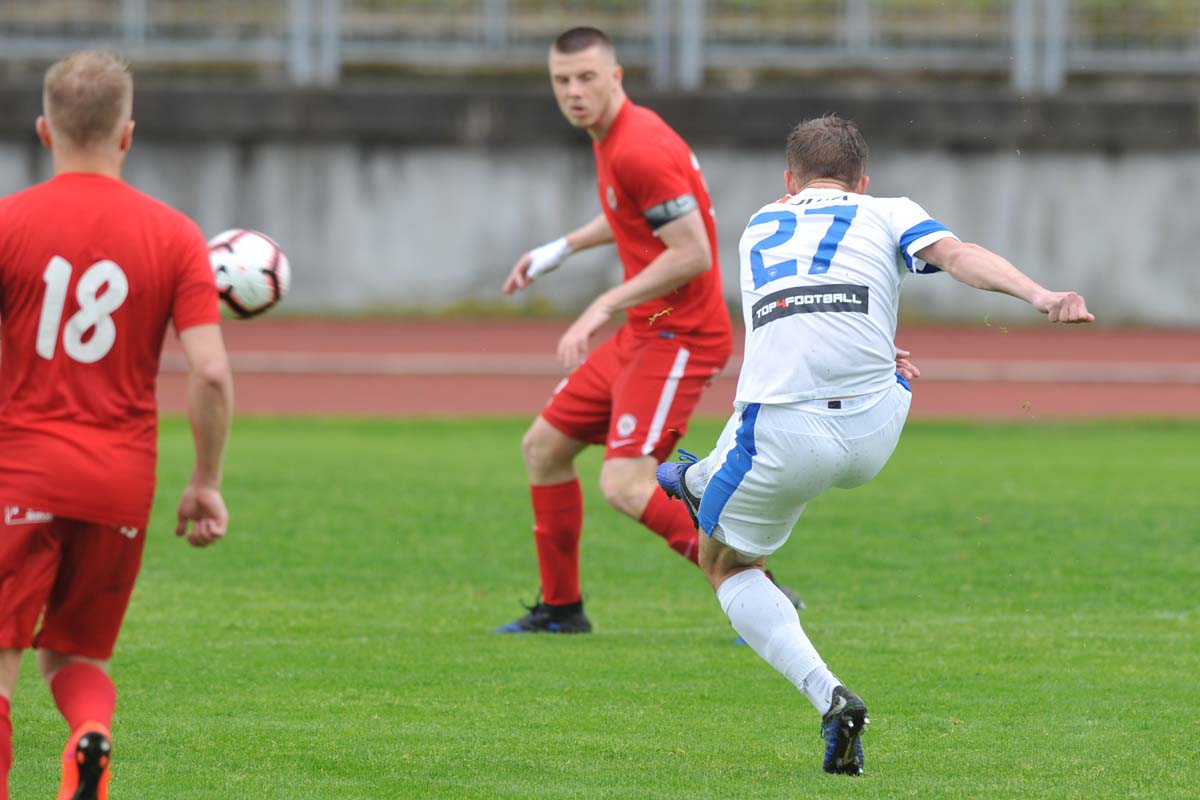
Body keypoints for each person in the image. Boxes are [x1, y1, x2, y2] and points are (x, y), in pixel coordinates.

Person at [656, 114, 1094, 775]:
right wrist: (1040, 294)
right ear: (862, 182)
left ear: (788, 181)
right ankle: (702, 477)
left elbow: (797, 313)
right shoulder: (889, 211)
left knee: (724, 564)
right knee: (880, 369)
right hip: (873, 431)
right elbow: (959, 256)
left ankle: (829, 696)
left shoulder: (758, 224)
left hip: (783, 436)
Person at [0, 52, 234, 799]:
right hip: (120, 481)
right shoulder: (176, 235)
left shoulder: (8, 223)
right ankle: (88, 734)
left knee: (2, 655)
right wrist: (205, 482)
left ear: (44, 130)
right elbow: (210, 372)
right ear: (127, 134)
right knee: (75, 655)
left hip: (21, 470)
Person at [495, 25, 776, 633]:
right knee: (543, 448)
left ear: (615, 77)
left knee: (625, 483)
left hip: (683, 336)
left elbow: (693, 253)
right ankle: (561, 610)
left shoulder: (638, 146)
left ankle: (762, 591)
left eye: (586, 78)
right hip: (646, 332)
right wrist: (559, 249)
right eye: (562, 80)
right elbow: (630, 210)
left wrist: (603, 303)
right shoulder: (617, 136)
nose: (573, 91)